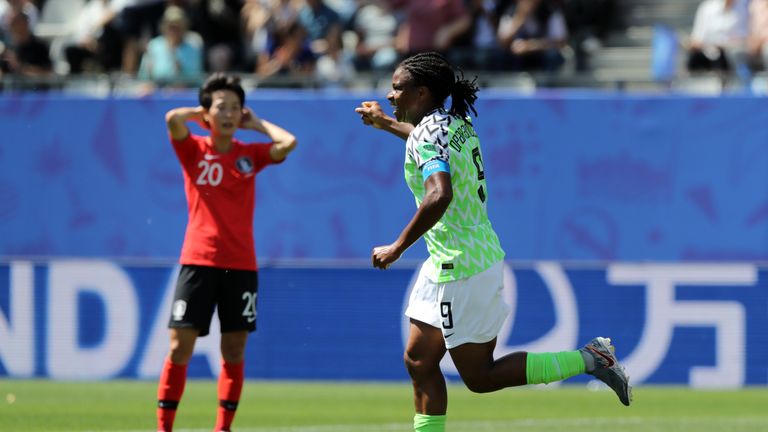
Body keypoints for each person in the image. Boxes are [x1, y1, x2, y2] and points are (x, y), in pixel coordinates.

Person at [354, 51, 631, 432]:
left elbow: (439, 193)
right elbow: (423, 141)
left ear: (421, 93)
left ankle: (591, 358)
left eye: (397, 89)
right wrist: (385, 124)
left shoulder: (429, 133)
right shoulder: (452, 123)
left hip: (463, 265)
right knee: (418, 360)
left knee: (479, 377)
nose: (390, 95)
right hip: (447, 260)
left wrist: (397, 246)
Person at [157, 73, 297, 432]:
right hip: (197, 262)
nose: (229, 114)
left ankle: (223, 429)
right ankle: (164, 428)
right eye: (222, 107)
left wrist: (258, 124)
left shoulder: (248, 154)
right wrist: (200, 112)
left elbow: (288, 142)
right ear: (208, 112)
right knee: (178, 348)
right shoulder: (193, 150)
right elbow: (172, 118)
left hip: (241, 265)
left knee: (233, 351)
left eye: (235, 108)